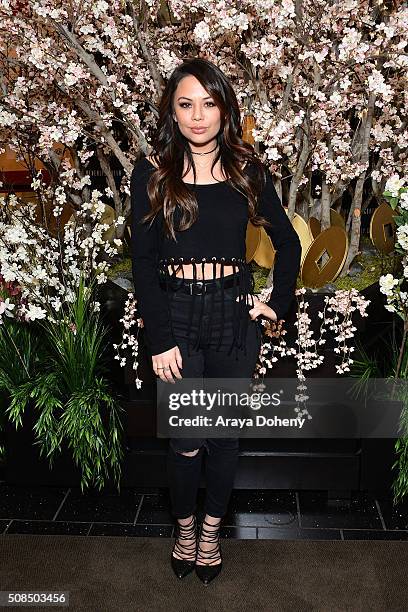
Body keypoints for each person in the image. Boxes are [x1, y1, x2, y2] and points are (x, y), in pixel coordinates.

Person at [130, 57, 301, 585]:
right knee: (185, 439)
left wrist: (277, 303)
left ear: (224, 109)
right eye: (186, 104)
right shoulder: (152, 173)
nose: (198, 116)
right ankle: (183, 530)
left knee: (224, 439)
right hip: (176, 318)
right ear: (172, 112)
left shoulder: (248, 170)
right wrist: (159, 338)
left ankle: (209, 533)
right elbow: (141, 261)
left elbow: (288, 242)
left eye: (209, 103)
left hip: (233, 318)